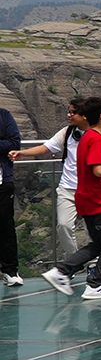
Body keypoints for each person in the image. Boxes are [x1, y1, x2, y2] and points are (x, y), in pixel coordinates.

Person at [41, 97, 101, 300]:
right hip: (99, 200)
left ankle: (62, 271)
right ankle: (95, 284)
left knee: (99, 243)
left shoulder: (86, 137)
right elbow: (98, 170)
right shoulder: (96, 139)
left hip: (87, 199)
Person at [0, 102, 21, 287]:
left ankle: (10, 271)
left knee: (6, 227)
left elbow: (14, 143)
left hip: (2, 182)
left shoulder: (4, 115)